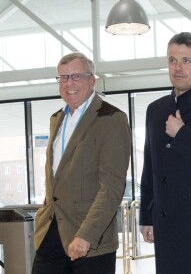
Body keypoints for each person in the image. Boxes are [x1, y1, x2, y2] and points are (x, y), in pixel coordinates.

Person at [32, 52, 131, 273]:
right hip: (50, 234)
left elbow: (112, 187)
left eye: (76, 76)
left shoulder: (111, 119)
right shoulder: (57, 119)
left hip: (89, 241)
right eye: (63, 78)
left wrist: (86, 235)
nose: (69, 83)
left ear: (92, 80)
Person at [139, 32, 191, 274]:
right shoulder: (155, 110)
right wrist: (146, 215)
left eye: (186, 60)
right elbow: (150, 167)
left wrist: (182, 135)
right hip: (165, 223)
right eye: (172, 60)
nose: (177, 68)